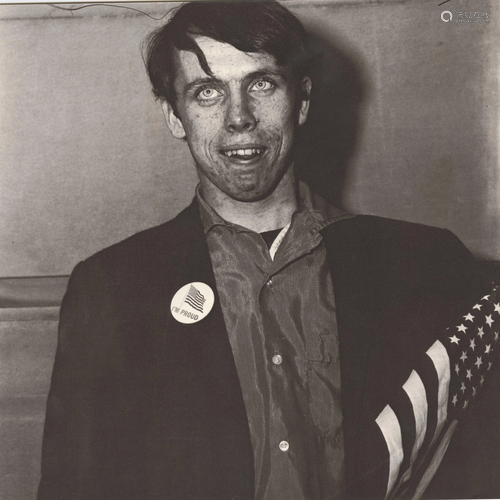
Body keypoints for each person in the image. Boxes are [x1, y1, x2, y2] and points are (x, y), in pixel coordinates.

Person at [38, 3, 496, 499]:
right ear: (174, 116)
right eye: (207, 92)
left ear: (300, 101)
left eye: (262, 84)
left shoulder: (427, 265)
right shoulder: (111, 289)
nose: (239, 118)